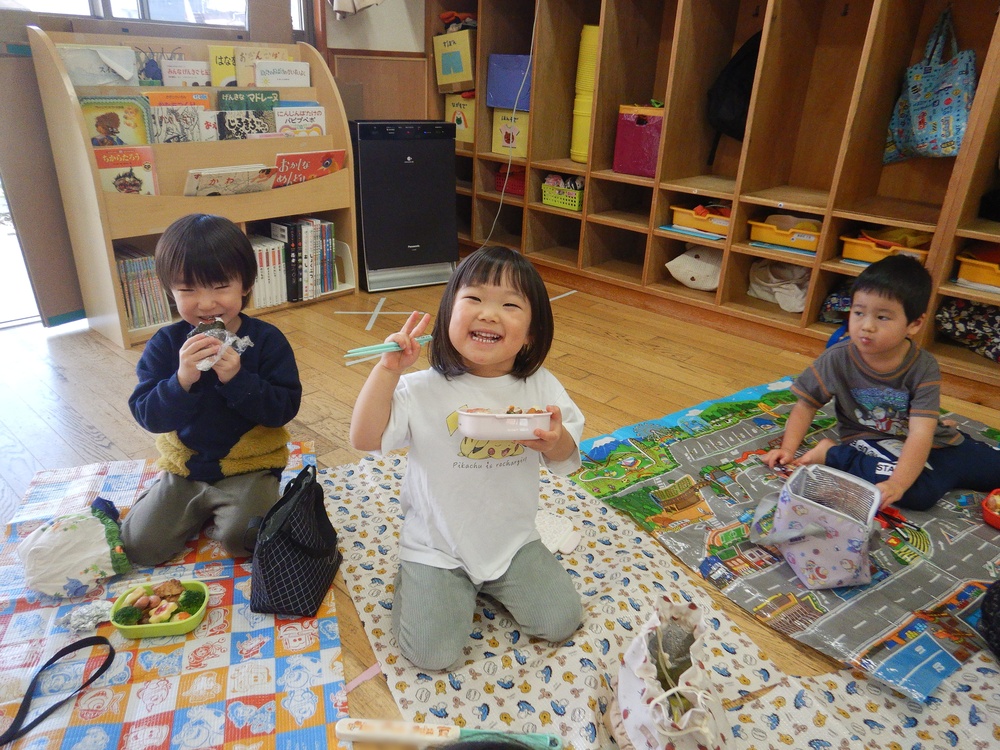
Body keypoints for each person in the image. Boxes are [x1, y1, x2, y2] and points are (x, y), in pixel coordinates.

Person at [350, 246, 585, 670]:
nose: (489, 314)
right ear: (447, 317)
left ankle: (488, 583)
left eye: (510, 305)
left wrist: (555, 441)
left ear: (531, 332)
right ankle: (421, 579)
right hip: (437, 545)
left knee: (561, 621)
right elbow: (363, 438)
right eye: (473, 299)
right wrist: (387, 370)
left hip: (511, 542)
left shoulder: (541, 387)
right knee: (432, 655)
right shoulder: (423, 388)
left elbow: (569, 457)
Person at [123, 214, 302, 566]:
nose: (205, 304)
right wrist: (181, 380)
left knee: (246, 539)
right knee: (139, 547)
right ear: (170, 290)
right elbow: (148, 414)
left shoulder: (266, 341)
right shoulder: (166, 344)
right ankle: (183, 504)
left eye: (220, 287)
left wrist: (238, 380)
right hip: (187, 468)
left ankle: (237, 506)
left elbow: (284, 408)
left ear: (245, 285)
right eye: (188, 290)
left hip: (248, 465)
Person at [764, 254, 1000, 510]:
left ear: (914, 324)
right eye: (858, 312)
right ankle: (832, 453)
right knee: (917, 493)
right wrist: (788, 448)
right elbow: (806, 405)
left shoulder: (923, 366)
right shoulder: (836, 359)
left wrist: (900, 480)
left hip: (935, 443)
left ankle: (945, 466)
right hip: (872, 440)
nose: (866, 326)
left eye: (882, 317)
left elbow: (921, 432)